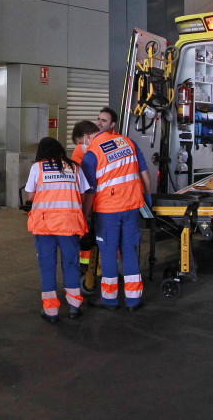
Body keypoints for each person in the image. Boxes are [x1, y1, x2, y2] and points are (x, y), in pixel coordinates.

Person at [81, 106, 152, 311]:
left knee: (109, 253)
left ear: (87, 137)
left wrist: (85, 216)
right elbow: (144, 173)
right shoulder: (127, 142)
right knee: (129, 250)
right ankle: (133, 299)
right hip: (132, 207)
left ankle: (110, 300)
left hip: (108, 211)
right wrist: (146, 200)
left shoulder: (92, 153)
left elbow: (90, 191)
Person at [25, 137, 92, 324]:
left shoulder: (37, 168)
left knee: (47, 266)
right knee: (71, 265)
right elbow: (84, 194)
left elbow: (31, 196)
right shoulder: (74, 167)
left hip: (44, 226)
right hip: (69, 225)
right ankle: (74, 307)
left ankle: (51, 311)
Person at [69, 120, 98, 266]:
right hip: (96, 203)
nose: (81, 146)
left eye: (80, 143)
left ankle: (88, 267)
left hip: (95, 202)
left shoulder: (90, 153)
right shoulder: (81, 154)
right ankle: (89, 267)